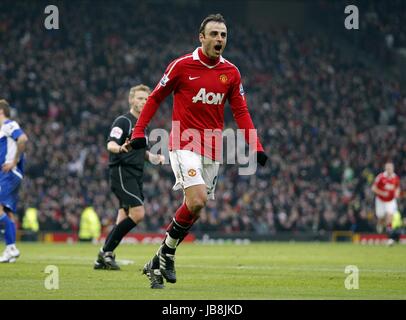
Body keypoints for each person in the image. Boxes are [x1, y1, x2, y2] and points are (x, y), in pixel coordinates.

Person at [129, 14, 268, 288]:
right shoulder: (182, 66)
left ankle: (159, 257)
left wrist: (256, 146)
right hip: (183, 142)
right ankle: (168, 253)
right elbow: (156, 96)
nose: (219, 39)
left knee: (194, 208)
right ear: (201, 37)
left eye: (223, 35)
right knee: (197, 199)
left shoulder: (232, 72)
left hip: (212, 147)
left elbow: (240, 110)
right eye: (214, 34)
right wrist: (138, 131)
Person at [94, 85, 164, 270]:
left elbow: (141, 151)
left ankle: (104, 255)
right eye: (140, 98)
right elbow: (110, 144)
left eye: (146, 99)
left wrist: (154, 157)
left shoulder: (143, 123)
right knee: (138, 213)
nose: (143, 102)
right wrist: (120, 148)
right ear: (131, 100)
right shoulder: (123, 121)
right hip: (122, 172)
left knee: (123, 216)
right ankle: (105, 253)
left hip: (136, 173)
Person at [0, 99, 28, 263]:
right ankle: (10, 249)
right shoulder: (2, 130)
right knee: (8, 213)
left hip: (9, 174)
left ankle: (11, 248)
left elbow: (23, 139)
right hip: (8, 175)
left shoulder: (9, 125)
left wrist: (14, 161)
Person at [371, 162, 401, 244]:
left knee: (389, 215)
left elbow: (397, 188)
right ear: (385, 169)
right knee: (381, 217)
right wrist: (382, 193)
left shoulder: (395, 178)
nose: (389, 170)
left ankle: (390, 236)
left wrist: (397, 193)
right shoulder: (380, 177)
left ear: (393, 169)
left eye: (391, 168)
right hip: (380, 200)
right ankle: (380, 224)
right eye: (388, 168)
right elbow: (373, 188)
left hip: (390, 200)